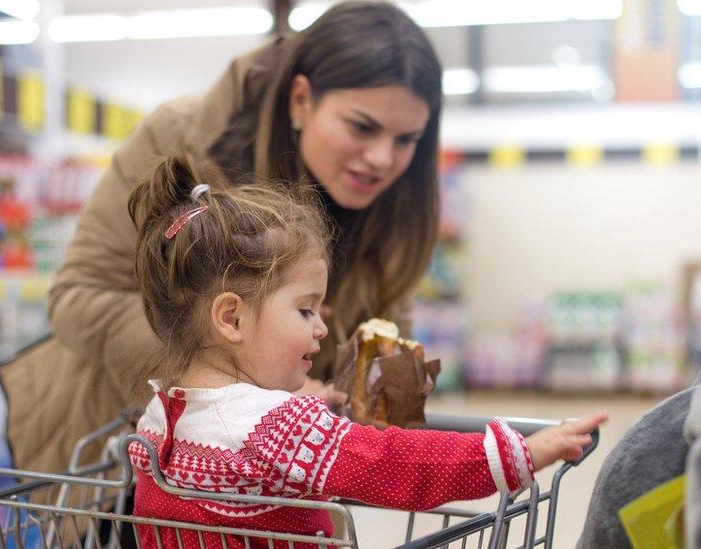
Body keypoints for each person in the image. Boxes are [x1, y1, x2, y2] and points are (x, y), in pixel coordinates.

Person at [0, 1, 447, 474]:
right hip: (125, 451)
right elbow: (77, 297)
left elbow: (388, 322)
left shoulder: (396, 203)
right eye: (362, 126)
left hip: (269, 476)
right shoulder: (180, 137)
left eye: (405, 140)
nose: (381, 158)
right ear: (300, 99)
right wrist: (237, 369)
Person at [125, 157, 609, 548]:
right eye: (305, 310)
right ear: (231, 319)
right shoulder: (276, 426)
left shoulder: (162, 414)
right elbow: (395, 464)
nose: (321, 328)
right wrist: (519, 453)